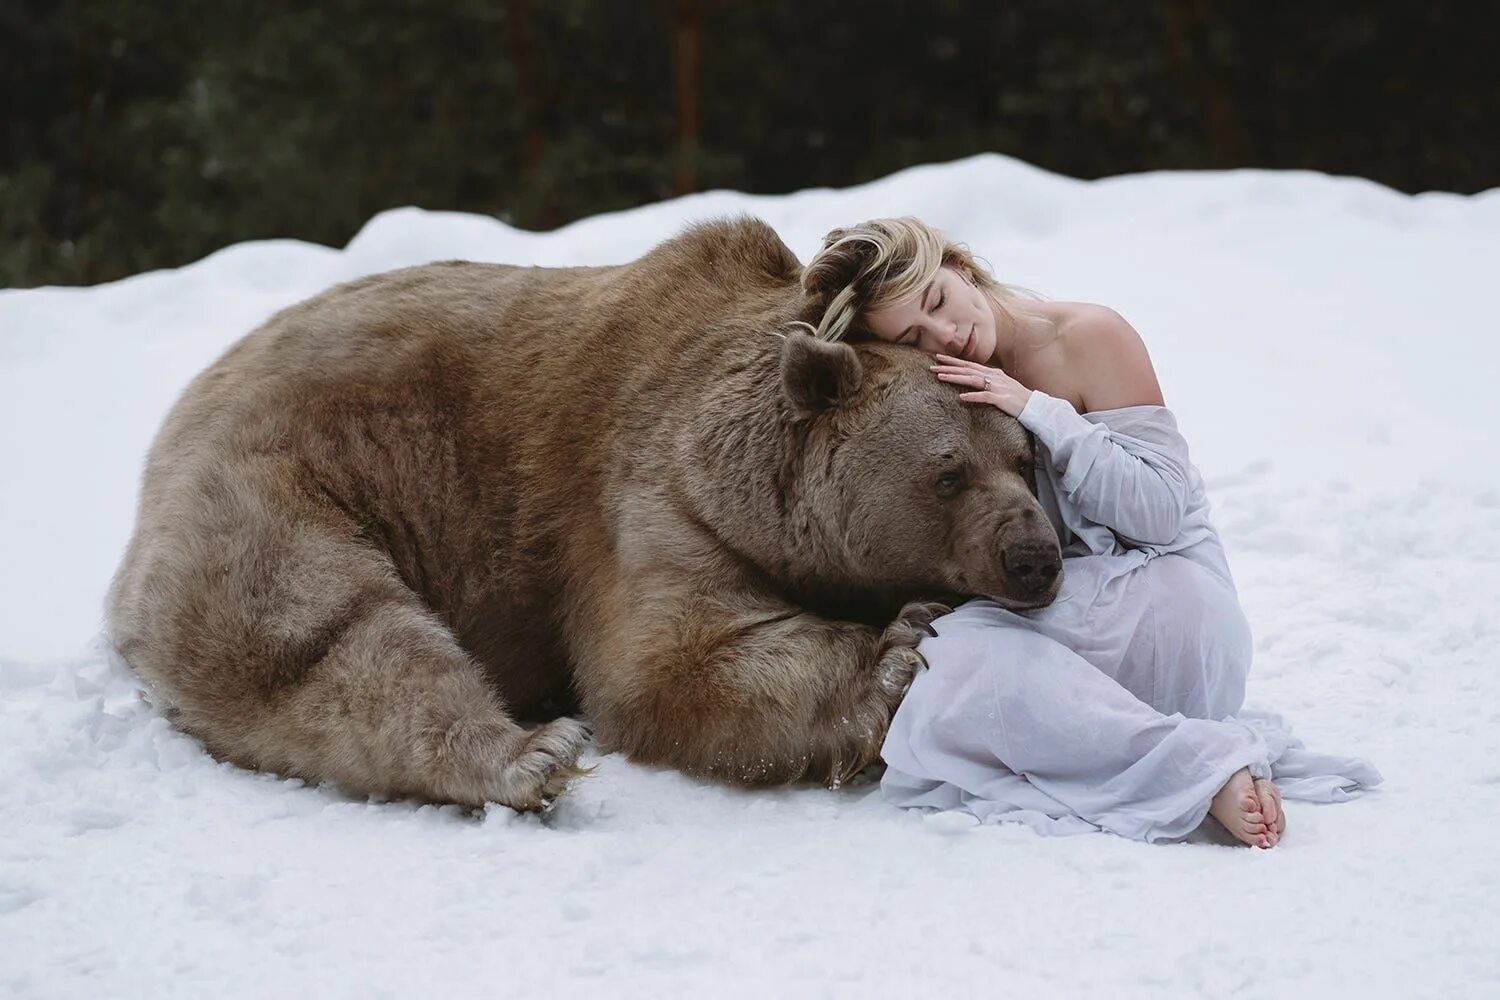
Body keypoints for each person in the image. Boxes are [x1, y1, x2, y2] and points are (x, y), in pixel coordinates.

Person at [801, 218, 1380, 846]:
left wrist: (1036, 411)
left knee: (952, 665)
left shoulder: (1087, 337)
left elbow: (1161, 510)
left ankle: (1196, 770)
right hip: (1076, 630)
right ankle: (1194, 756)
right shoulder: (939, 387)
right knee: (936, 670)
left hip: (1173, 604)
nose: (946, 334)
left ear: (960, 266)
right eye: (914, 336)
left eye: (938, 301)